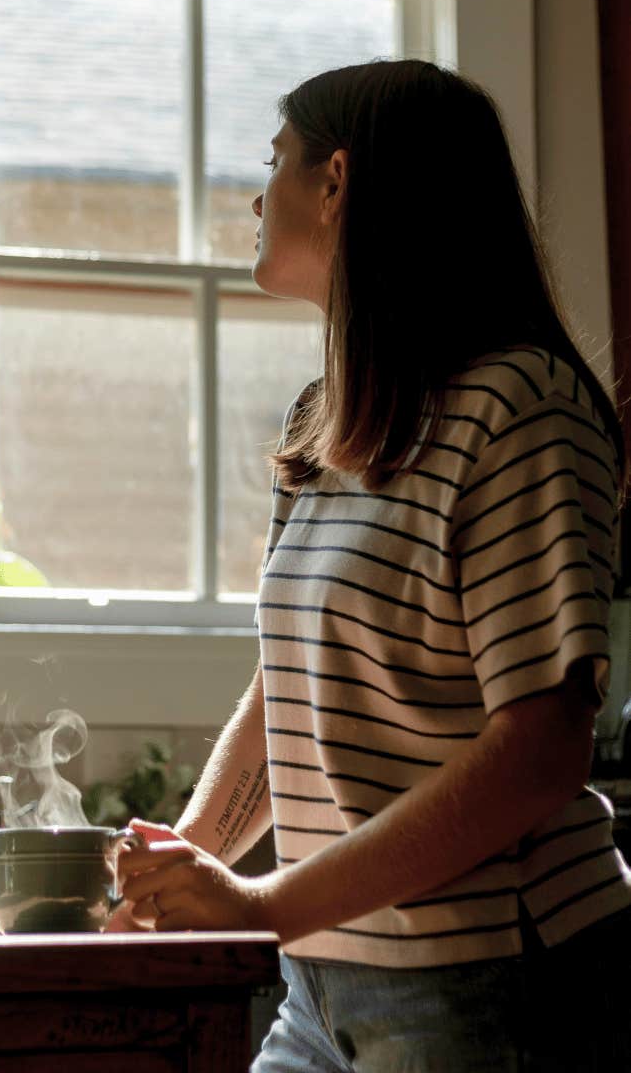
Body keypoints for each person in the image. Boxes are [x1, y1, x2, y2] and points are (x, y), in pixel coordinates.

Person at [113, 59, 631, 1071]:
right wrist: (192, 860)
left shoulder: (519, 407)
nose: (258, 199)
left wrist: (262, 903)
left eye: (277, 165)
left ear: (336, 180)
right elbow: (287, 691)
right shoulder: (325, 416)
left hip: (491, 981)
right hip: (325, 977)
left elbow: (539, 753)